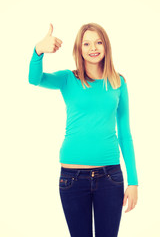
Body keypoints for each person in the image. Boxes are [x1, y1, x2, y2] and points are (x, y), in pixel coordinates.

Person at [28, 22, 138, 237]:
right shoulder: (68, 78)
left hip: (110, 178)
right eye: (86, 43)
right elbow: (35, 79)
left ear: (106, 46)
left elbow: (125, 134)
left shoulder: (118, 82)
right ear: (79, 48)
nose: (93, 48)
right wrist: (38, 50)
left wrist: (133, 181)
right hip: (72, 179)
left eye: (98, 42)